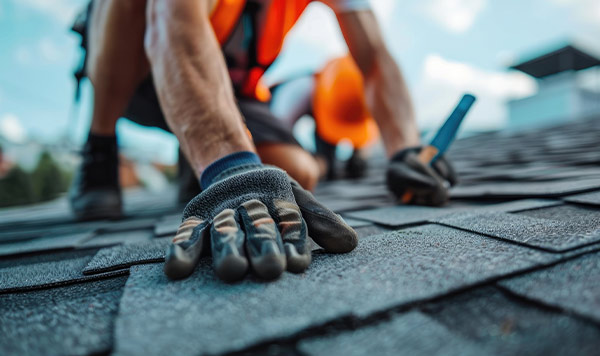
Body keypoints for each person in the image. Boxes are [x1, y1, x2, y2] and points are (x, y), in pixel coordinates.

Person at [70, 0, 456, 282]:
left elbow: (373, 60)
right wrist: (231, 165)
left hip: (225, 81)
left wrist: (406, 149)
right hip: (136, 65)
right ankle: (100, 148)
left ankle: (195, 156)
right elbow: (173, 18)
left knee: (298, 171)